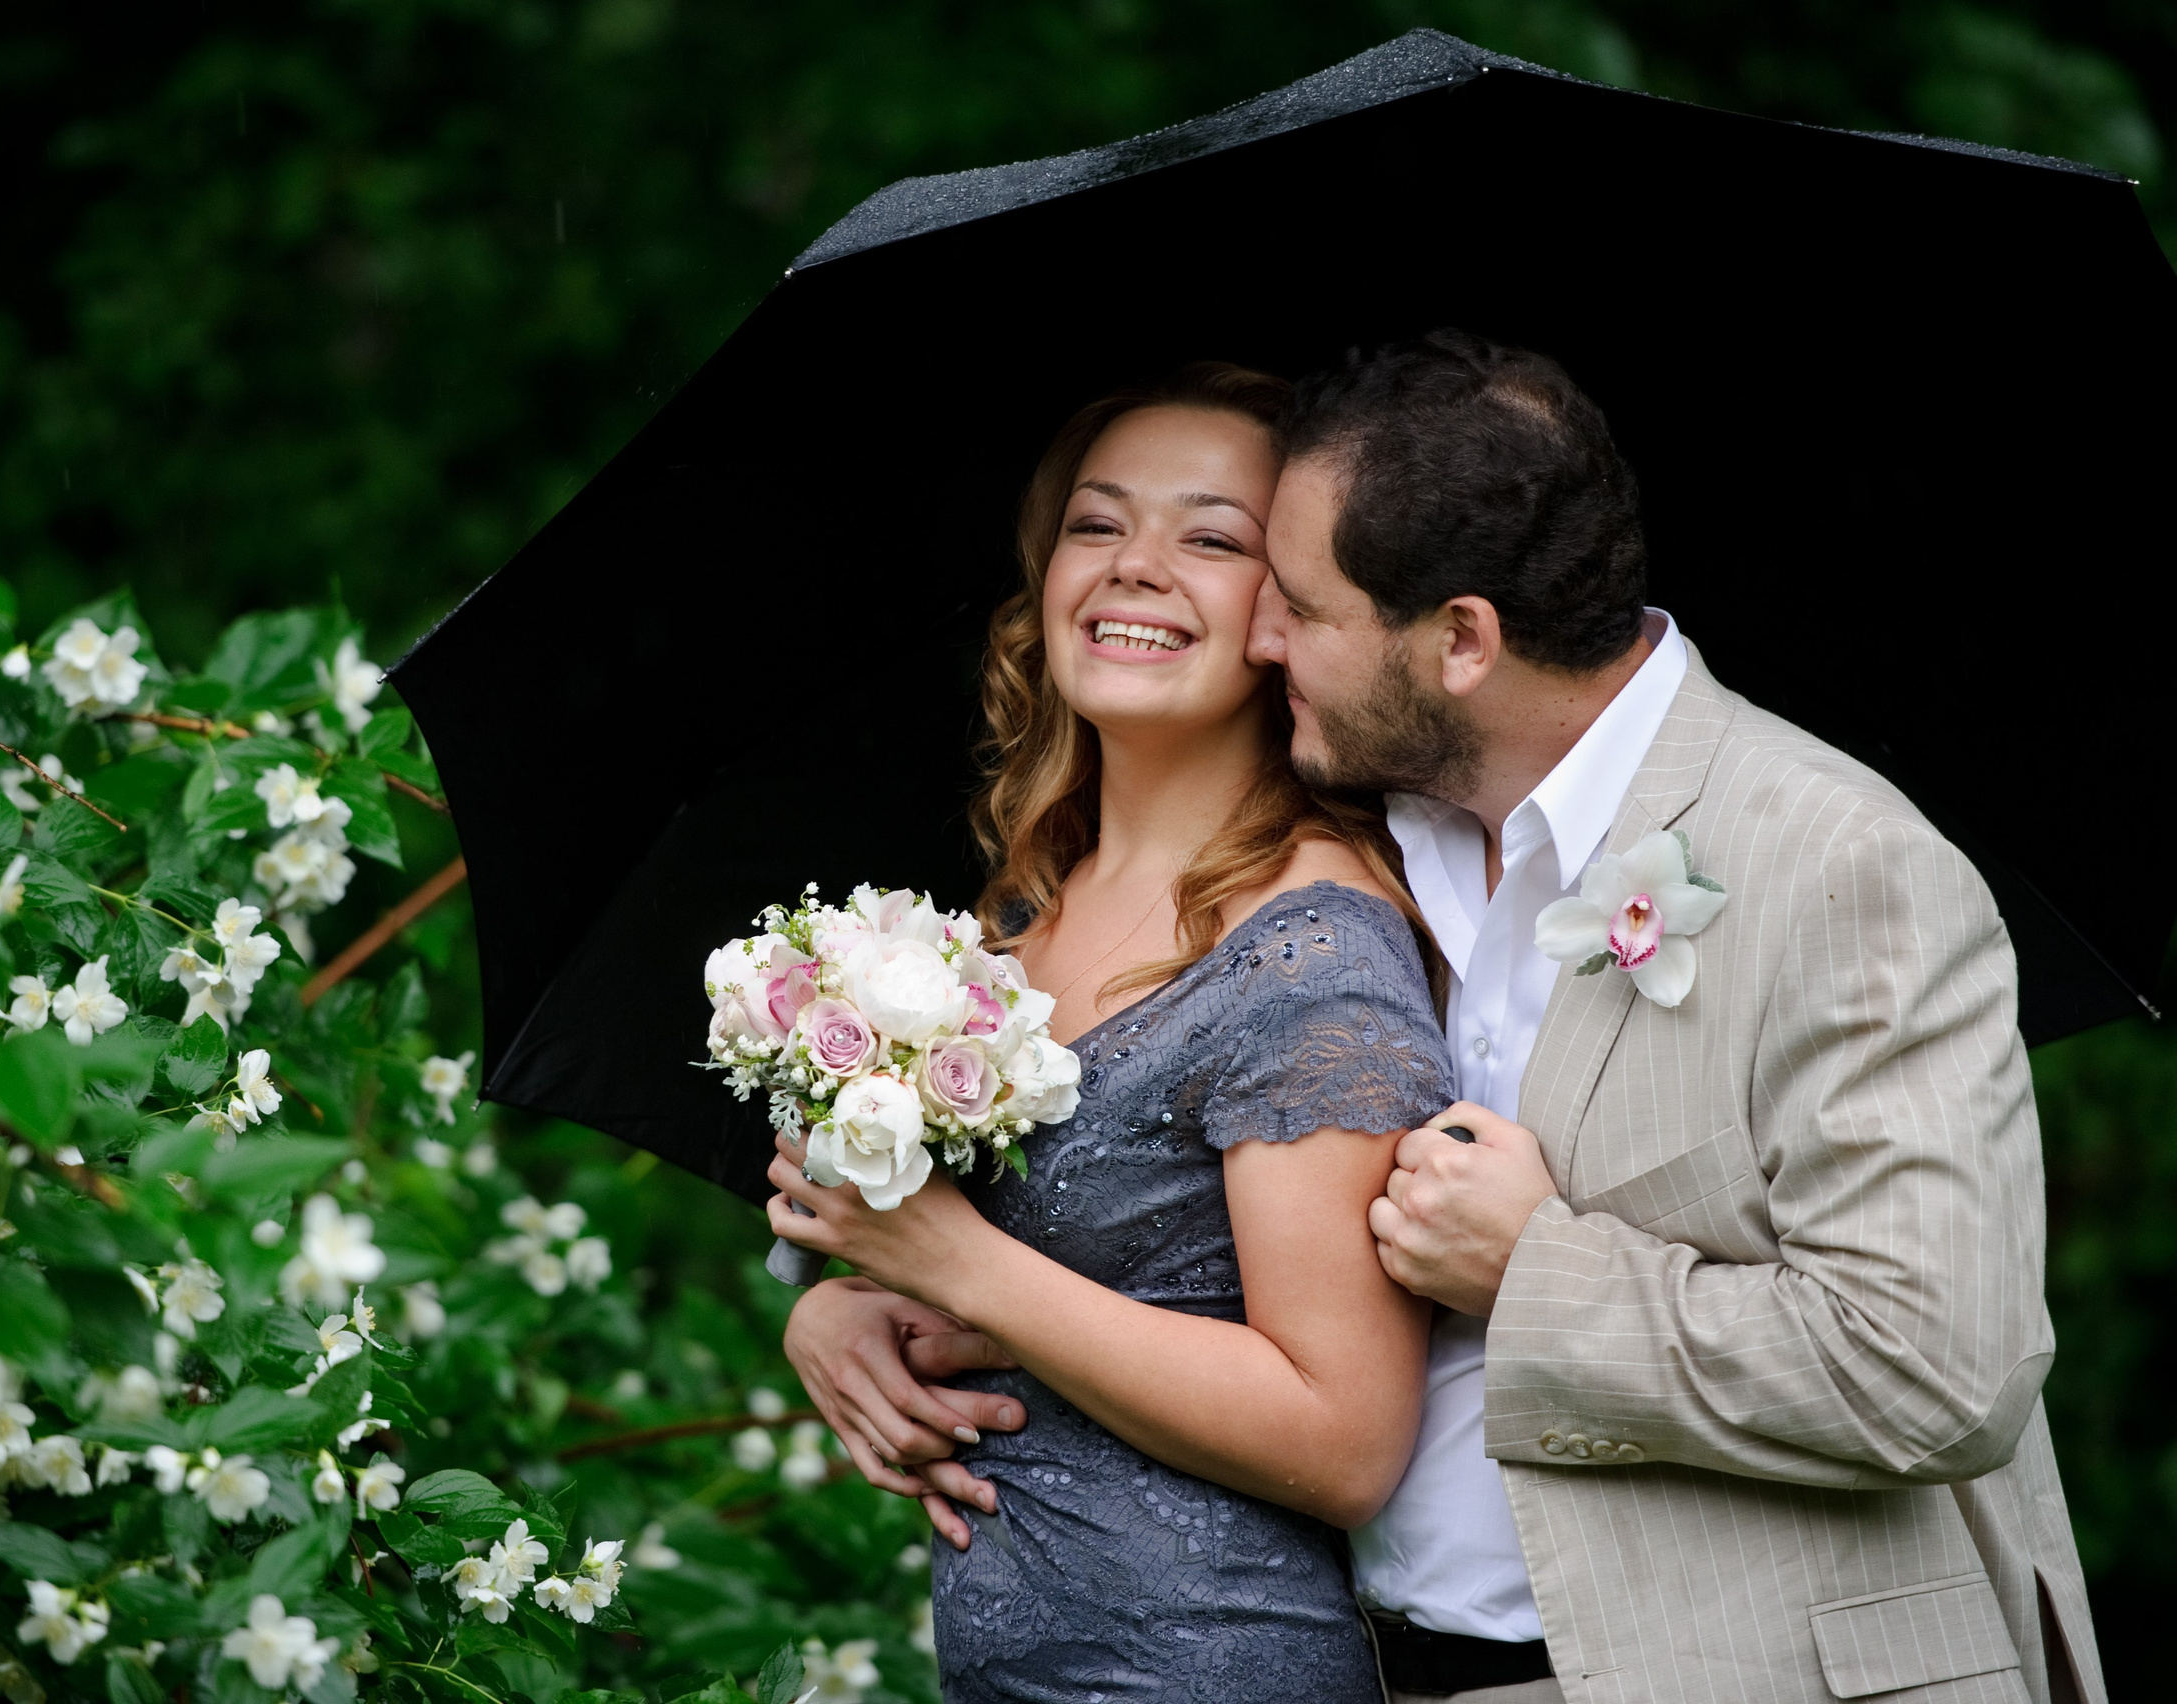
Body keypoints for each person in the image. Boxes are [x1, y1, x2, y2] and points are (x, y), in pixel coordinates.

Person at [1247, 329, 2105, 1704]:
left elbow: (1940, 1368)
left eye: (1303, 606)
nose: (1256, 637)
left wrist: (1535, 1270)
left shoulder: (1839, 862)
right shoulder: (1331, 844)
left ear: (1462, 639)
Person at [766, 361, 1456, 1702]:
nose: (1138, 566)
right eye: (1098, 523)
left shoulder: (1314, 952)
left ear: (1290, 615)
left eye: (1212, 537)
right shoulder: (1013, 919)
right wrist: (838, 1311)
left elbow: (1346, 1428)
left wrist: (960, 1270)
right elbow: (994, 1274)